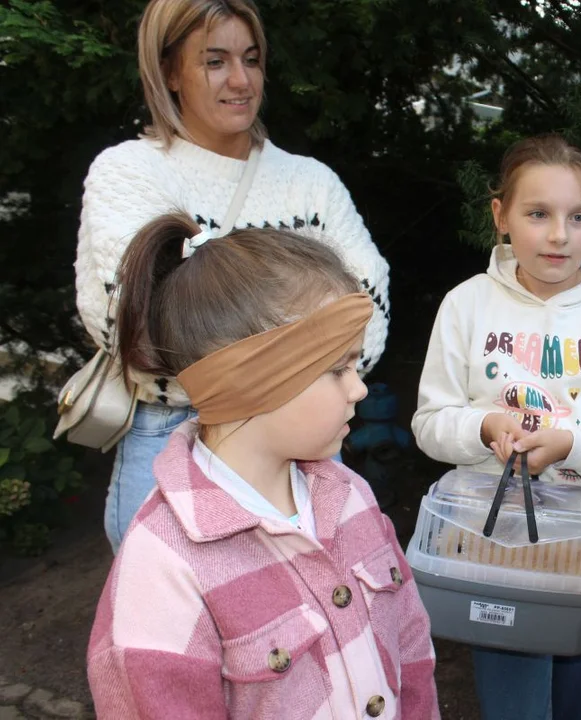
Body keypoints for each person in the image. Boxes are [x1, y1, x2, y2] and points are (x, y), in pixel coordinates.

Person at [87, 213, 436, 718]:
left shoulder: (351, 496)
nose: (359, 388)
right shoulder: (163, 569)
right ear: (249, 380)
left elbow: (410, 645)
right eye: (339, 369)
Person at [74, 0, 390, 552]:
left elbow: (370, 305)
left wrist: (296, 391)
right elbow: (129, 318)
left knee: (314, 615)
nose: (241, 80)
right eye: (214, 61)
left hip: (304, 437)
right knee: (175, 621)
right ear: (170, 70)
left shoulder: (308, 183)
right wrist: (298, 359)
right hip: (170, 435)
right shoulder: (130, 172)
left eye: (251, 59)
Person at [412, 134, 581, 720]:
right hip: (494, 533)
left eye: (578, 217)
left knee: (580, 692)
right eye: (538, 214)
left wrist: (574, 443)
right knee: (514, 700)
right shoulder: (466, 305)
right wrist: (484, 427)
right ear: (500, 216)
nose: (559, 235)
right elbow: (430, 422)